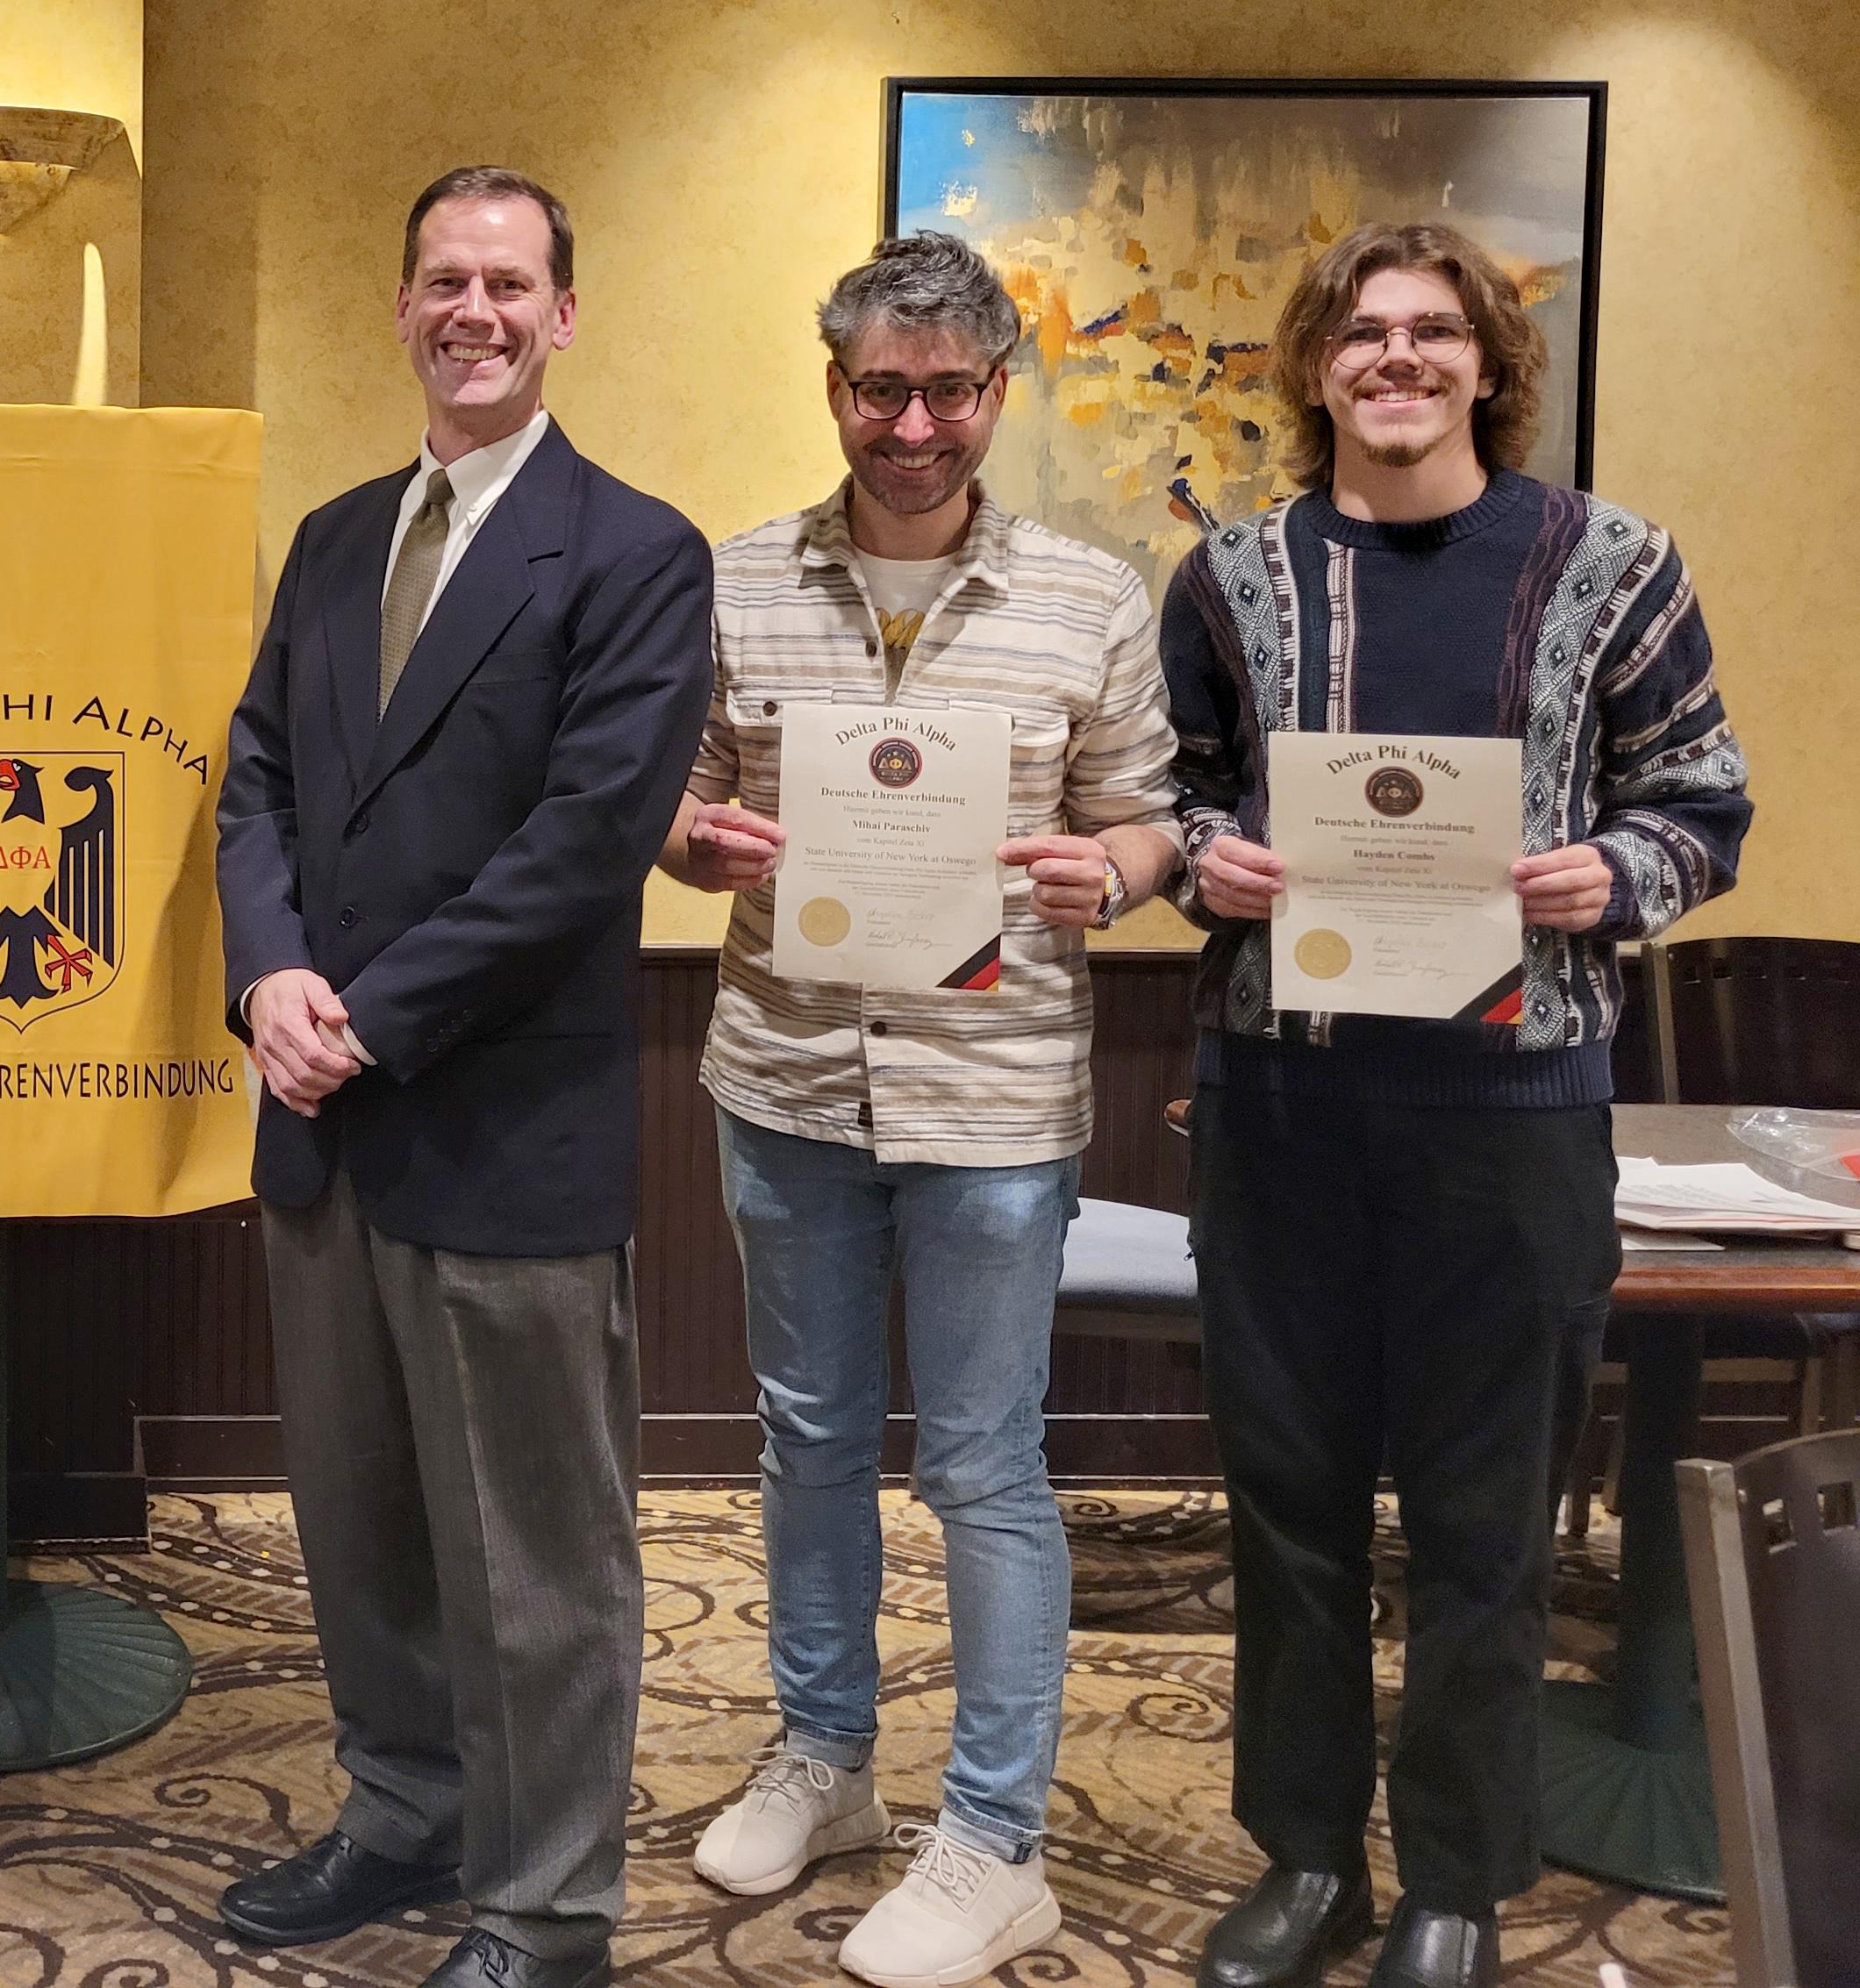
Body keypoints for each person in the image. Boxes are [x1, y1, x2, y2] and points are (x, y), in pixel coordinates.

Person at [1160, 222, 1749, 1988]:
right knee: (1291, 1500)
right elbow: (1163, 795)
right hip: (1280, 1104)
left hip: (1513, 1112)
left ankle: (1455, 1887)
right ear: (1318, 366)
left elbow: (1703, 798)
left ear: (1489, 364)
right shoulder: (1229, 577)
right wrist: (1214, 862)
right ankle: (1311, 1861)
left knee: (1488, 1521)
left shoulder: (1612, 567)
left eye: (1433, 332)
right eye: (1363, 332)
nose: (1397, 358)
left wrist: (1610, 875)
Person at [656, 232, 1184, 1986]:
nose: (914, 424)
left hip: (993, 1095)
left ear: (996, 396)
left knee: (978, 1461)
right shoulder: (732, 582)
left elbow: (1151, 824)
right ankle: (825, 1760)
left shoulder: (1090, 599)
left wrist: (1107, 869)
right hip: (789, 1074)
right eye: (881, 387)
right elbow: (677, 788)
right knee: (805, 1433)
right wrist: (688, 834)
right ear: (835, 390)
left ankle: (995, 1836)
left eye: (950, 390)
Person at [212, 167, 714, 1988]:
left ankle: (548, 1903)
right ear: (402, 305)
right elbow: (254, 768)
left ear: (564, 313)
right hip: (326, 1134)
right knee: (364, 1527)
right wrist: (268, 972)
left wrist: (362, 1013)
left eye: (511, 283)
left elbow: (585, 847)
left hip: (502, 1129)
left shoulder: (640, 551)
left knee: (537, 1563)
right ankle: (406, 1814)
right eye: (445, 279)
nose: (476, 310)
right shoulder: (342, 536)